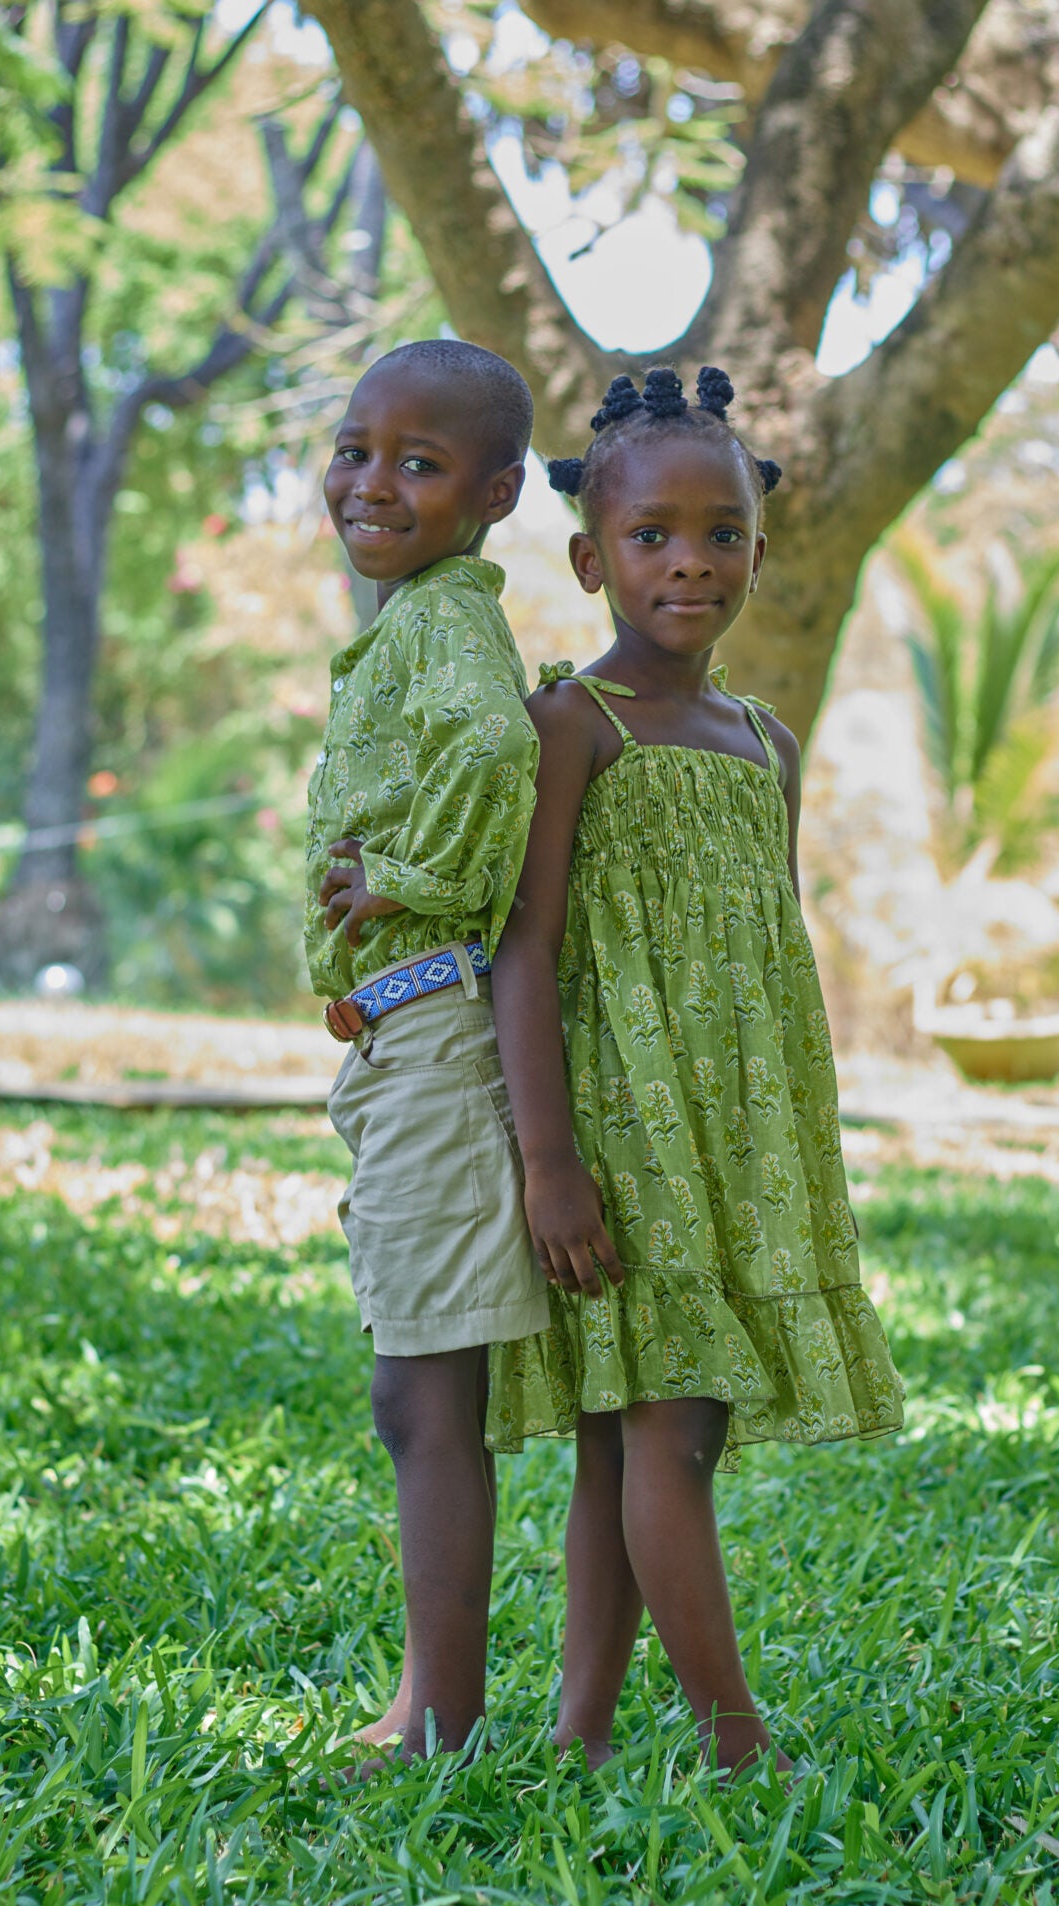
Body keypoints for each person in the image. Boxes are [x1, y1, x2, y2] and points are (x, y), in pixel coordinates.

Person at [488, 365, 904, 1775]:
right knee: (669, 1433)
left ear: (756, 551)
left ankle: (582, 1734)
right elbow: (526, 951)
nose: (688, 562)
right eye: (653, 536)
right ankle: (736, 1740)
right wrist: (550, 1161)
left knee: (635, 1440)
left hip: (734, 1137)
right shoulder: (570, 728)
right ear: (588, 557)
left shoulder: (763, 740)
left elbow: (765, 958)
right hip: (619, 1134)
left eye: (717, 533)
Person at [306, 338, 549, 1766]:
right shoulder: (413, 621)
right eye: (355, 448)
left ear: (498, 491)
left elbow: (495, 753)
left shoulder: (447, 627)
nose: (371, 482)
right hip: (404, 1031)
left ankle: (439, 1719)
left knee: (422, 1384)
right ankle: (428, 1703)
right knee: (417, 1381)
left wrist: (413, 879)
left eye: (419, 462)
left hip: (441, 1022)